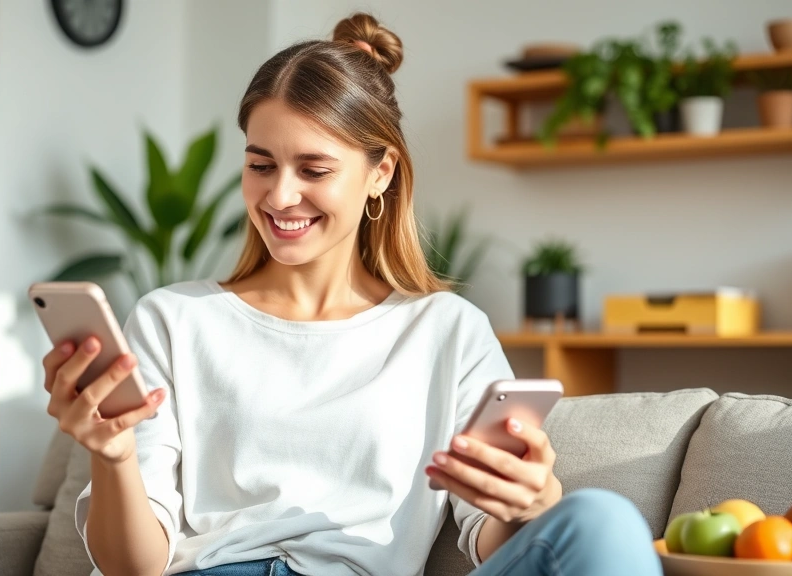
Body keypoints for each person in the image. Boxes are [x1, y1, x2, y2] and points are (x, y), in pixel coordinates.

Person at [41, 12, 663, 576]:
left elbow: (488, 541)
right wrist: (114, 453)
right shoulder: (173, 320)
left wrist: (533, 499)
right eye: (261, 165)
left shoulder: (446, 331)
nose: (280, 196)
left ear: (380, 173)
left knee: (601, 519)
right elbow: (132, 566)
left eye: (314, 170)